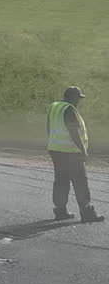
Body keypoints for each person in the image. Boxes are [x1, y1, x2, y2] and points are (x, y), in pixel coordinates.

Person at [47, 86, 103, 224]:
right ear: (72, 97)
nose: (79, 101)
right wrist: (83, 151)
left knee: (61, 181)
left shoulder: (54, 106)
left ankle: (60, 211)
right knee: (80, 183)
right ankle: (87, 213)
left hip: (56, 150)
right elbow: (74, 131)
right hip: (70, 153)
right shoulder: (69, 109)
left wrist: (51, 144)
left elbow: (49, 126)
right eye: (78, 98)